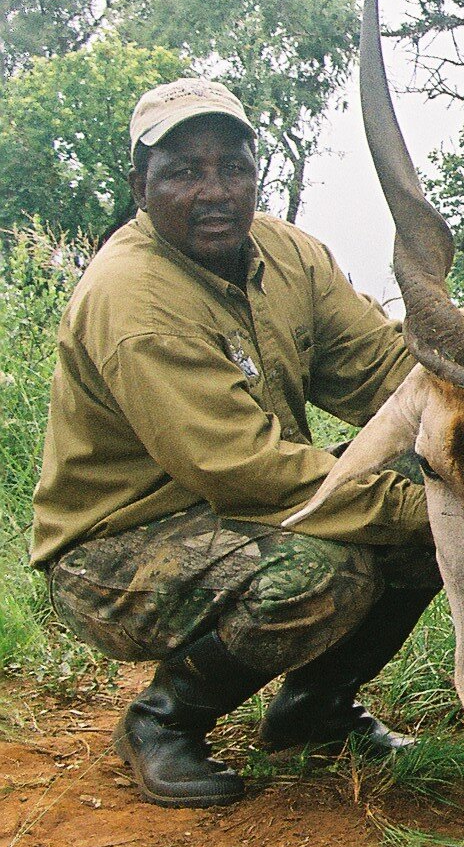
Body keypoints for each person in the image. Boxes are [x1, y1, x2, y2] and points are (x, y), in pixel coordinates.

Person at [30, 78, 440, 809]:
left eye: (233, 169)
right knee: (326, 568)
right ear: (140, 186)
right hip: (115, 550)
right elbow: (246, 469)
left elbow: (387, 376)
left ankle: (315, 710)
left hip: (243, 507)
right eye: (183, 172)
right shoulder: (132, 298)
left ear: (258, 175)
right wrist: (442, 508)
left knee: (447, 474)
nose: (213, 191)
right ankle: (163, 722)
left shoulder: (288, 253)